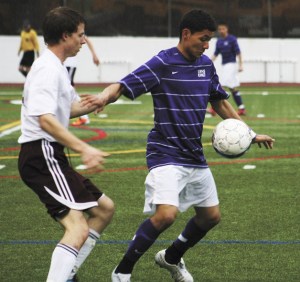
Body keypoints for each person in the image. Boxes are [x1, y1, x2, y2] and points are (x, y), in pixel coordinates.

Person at [81, 9, 274, 282]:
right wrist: (103, 97)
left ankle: (171, 257)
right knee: (166, 215)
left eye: (209, 40)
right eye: (203, 39)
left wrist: (250, 134)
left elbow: (218, 100)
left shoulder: (206, 65)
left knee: (210, 217)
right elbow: (124, 85)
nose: (207, 45)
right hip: (164, 151)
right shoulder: (162, 62)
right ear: (186, 34)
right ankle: (122, 271)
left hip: (193, 154)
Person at [18, 7, 114, 282]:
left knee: (104, 209)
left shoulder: (56, 67)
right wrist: (84, 147)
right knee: (77, 228)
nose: (84, 41)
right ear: (65, 36)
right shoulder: (47, 69)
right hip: (41, 154)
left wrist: (98, 100)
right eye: (81, 35)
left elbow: (66, 108)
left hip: (50, 154)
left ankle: (67, 273)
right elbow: (45, 120)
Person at [210, 22, 246, 116]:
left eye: (223, 29)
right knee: (233, 88)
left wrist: (241, 65)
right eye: (219, 29)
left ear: (227, 29)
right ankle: (241, 108)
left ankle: (214, 108)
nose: (221, 31)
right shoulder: (219, 41)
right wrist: (208, 62)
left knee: (221, 85)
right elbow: (215, 54)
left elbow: (238, 52)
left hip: (231, 65)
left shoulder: (232, 39)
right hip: (225, 66)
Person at [66, 36, 100, 126]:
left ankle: (84, 117)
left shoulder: (71, 27)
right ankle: (83, 117)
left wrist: (94, 55)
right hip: (65, 62)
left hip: (68, 63)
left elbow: (86, 39)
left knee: (68, 88)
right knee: (68, 88)